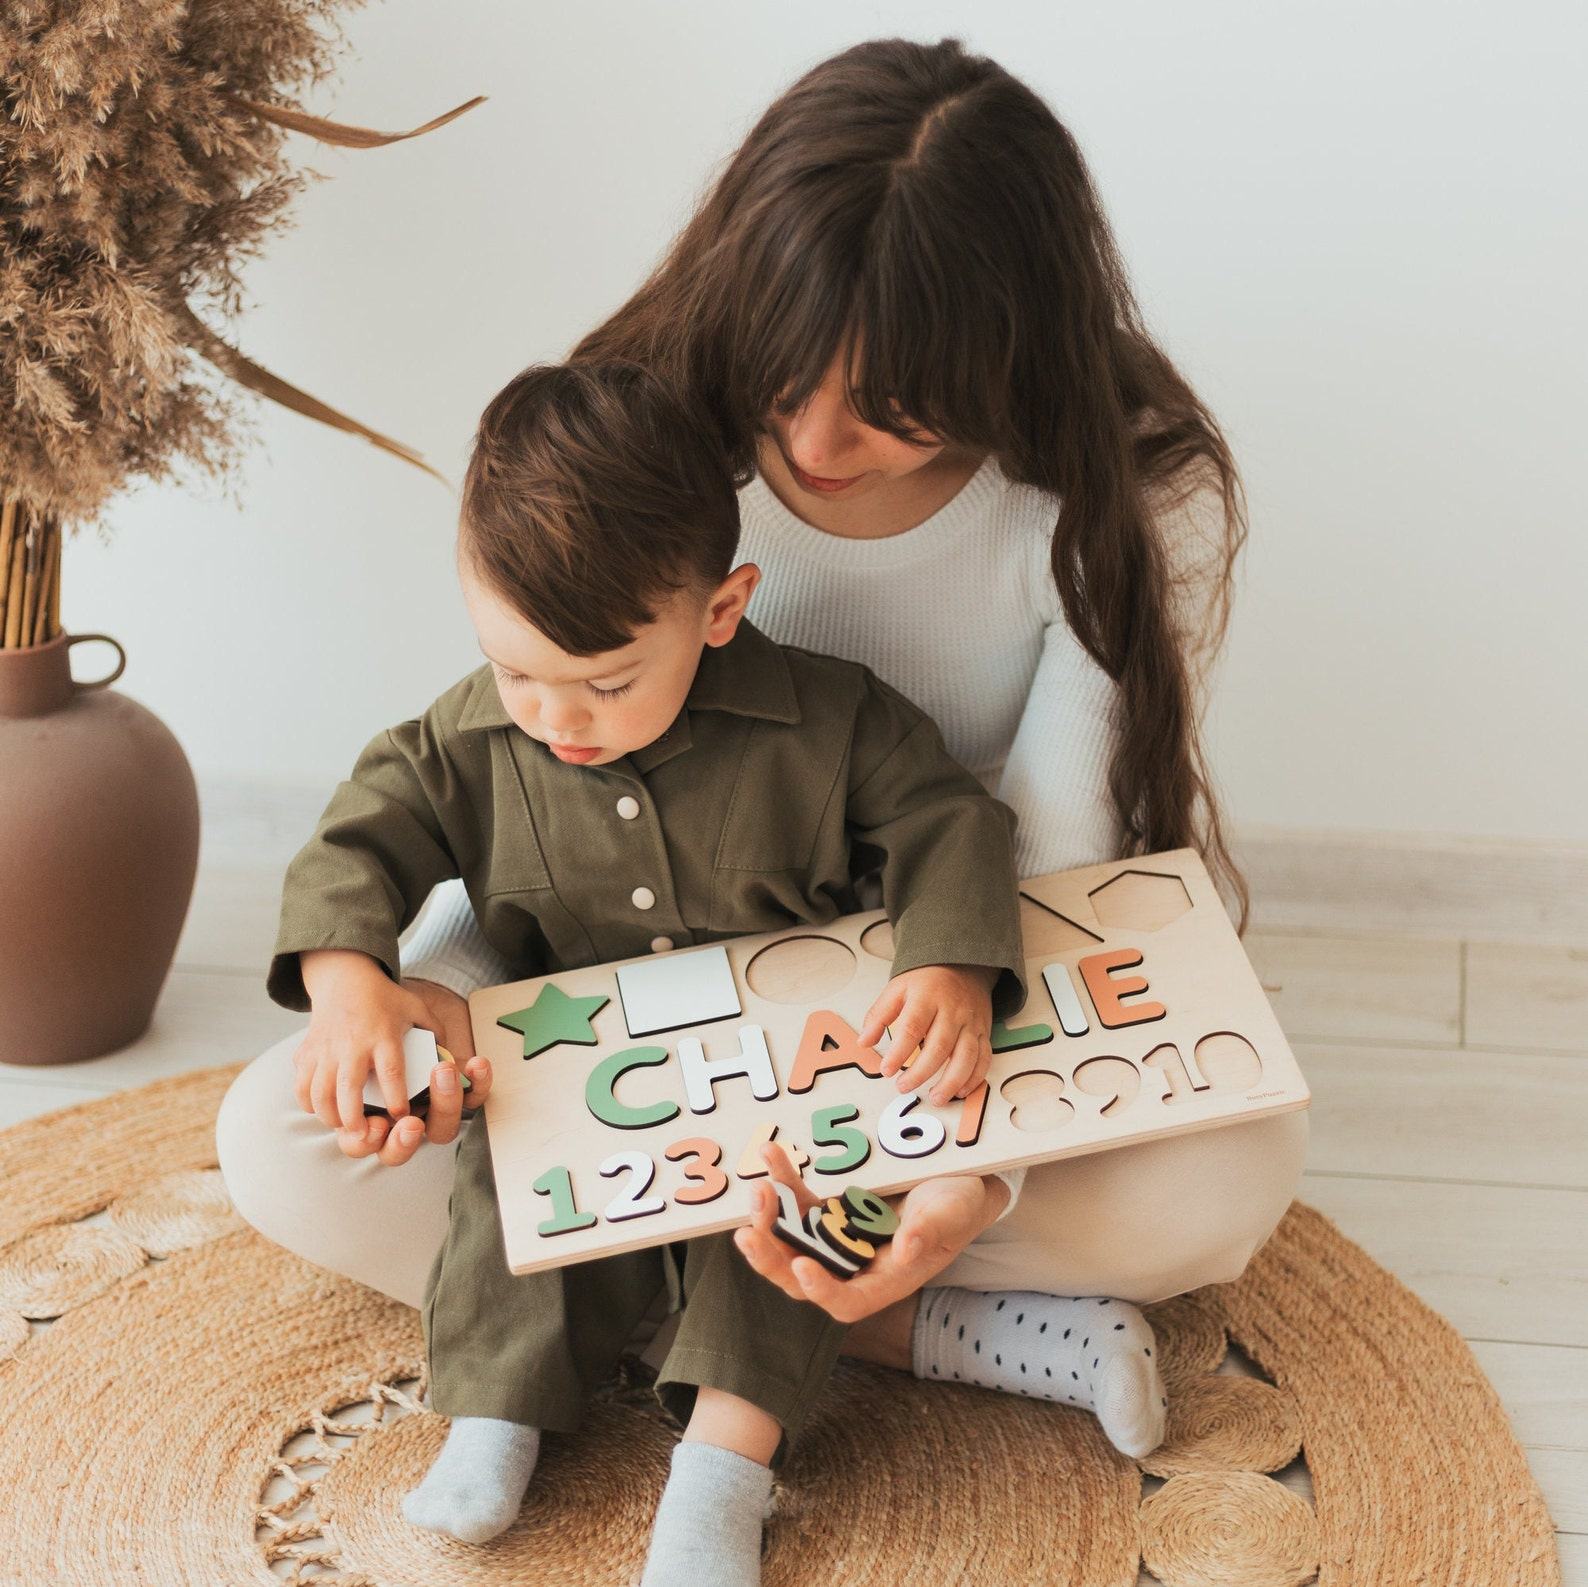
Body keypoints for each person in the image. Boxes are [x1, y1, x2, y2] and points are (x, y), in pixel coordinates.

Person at [217, 29, 1305, 1550]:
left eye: (900, 407)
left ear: (1015, 356)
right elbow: (515, 788)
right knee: (282, 1137)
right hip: (638, 1029)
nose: (813, 444)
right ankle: (888, 1326)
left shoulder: (1126, 491)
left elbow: (1049, 871)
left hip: (932, 1013)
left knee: (1232, 1172)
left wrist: (963, 1177)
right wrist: (433, 1006)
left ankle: (763, 1295)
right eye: (788, 382)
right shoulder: (646, 427)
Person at [260, 359, 1034, 1582]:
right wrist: (351, 976)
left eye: (606, 681)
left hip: (784, 1075)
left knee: (802, 1214)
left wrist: (945, 964)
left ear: (720, 610)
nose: (557, 717)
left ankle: (725, 1473)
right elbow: (362, 832)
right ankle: (494, 1418)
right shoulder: (470, 736)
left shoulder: (829, 721)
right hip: (579, 1075)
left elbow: (952, 823)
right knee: (507, 1194)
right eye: (517, 672)